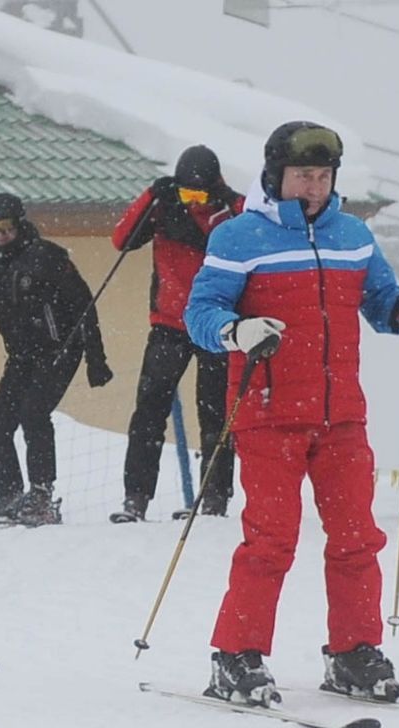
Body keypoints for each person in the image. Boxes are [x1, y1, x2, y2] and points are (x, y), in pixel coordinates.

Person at [184, 121, 399, 707]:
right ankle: (236, 656)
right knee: (271, 540)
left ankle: (353, 652)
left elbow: (379, 301)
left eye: (323, 177)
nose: (314, 187)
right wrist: (236, 330)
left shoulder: (352, 235)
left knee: (356, 537)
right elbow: (200, 311)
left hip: (341, 414)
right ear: (276, 175)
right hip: (268, 411)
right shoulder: (237, 237)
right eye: (304, 176)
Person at [0, 192, 114, 526]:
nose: (0, 235)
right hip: (21, 355)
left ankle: (41, 496)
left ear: (20, 224)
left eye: (6, 227)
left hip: (59, 350)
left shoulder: (47, 257)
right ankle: (9, 496)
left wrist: (97, 359)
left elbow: (83, 307)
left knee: (34, 414)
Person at [109, 145, 245, 524]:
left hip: (218, 326)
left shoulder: (234, 210)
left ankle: (214, 499)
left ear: (215, 187)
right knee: (148, 413)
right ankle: (135, 498)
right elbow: (122, 240)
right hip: (168, 324)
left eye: (200, 195)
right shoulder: (164, 204)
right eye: (186, 194)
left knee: (215, 415)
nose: (193, 203)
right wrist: (153, 193)